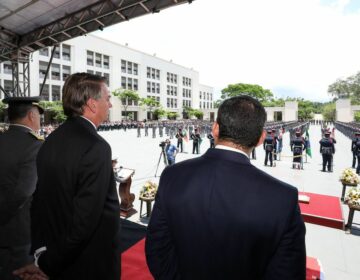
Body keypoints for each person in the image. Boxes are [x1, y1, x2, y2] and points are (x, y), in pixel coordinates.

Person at [146, 95, 306, 279]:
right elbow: (287, 272)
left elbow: (157, 249)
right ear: (261, 139)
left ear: (215, 129)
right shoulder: (283, 198)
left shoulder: (173, 175)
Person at [14, 73, 121, 280]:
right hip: (88, 265)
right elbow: (85, 222)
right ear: (91, 104)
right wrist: (47, 264)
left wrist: (40, 254)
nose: (110, 105)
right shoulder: (96, 146)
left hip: (55, 254)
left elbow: (39, 204)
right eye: (107, 99)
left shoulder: (51, 140)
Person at [0, 97, 44, 280]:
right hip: (16, 231)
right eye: (39, 116)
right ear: (31, 116)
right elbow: (24, 192)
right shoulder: (33, 145)